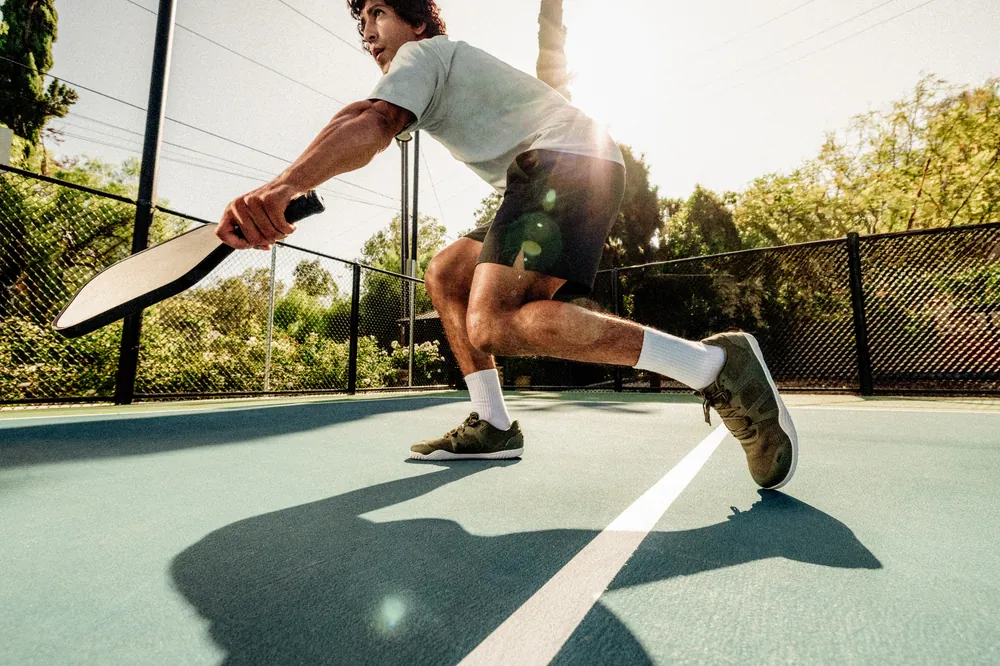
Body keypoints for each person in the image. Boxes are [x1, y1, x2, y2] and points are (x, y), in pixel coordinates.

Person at [216, 0, 798, 489]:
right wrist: (279, 184)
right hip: (549, 171)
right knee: (447, 273)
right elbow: (356, 114)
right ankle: (493, 422)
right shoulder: (422, 71)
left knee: (492, 322)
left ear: (418, 23)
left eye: (378, 13)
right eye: (361, 22)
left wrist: (285, 186)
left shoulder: (424, 54)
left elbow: (371, 120)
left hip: (567, 162)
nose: (368, 32)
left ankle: (712, 363)